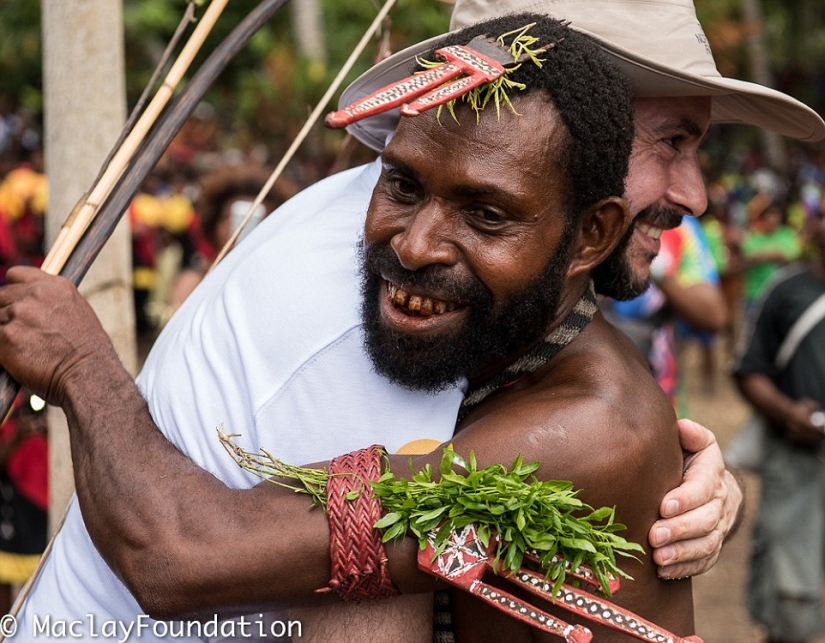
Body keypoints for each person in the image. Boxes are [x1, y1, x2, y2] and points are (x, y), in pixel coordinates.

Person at [5, 0, 824, 636]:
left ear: (588, 227)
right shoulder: (374, 308)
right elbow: (180, 553)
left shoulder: (511, 317)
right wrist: (82, 364)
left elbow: (591, 445)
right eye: (669, 142)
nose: (694, 193)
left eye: (487, 213)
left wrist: (682, 490)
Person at [733, 205, 825, 643]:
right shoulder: (785, 290)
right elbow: (750, 369)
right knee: (790, 598)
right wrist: (788, 413)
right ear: (810, 226)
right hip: (797, 461)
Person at [0, 390, 47, 615]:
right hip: (11, 504)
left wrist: (49, 430)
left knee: (41, 589)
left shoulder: (49, 399)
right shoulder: (7, 400)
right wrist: (18, 437)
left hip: (43, 505)